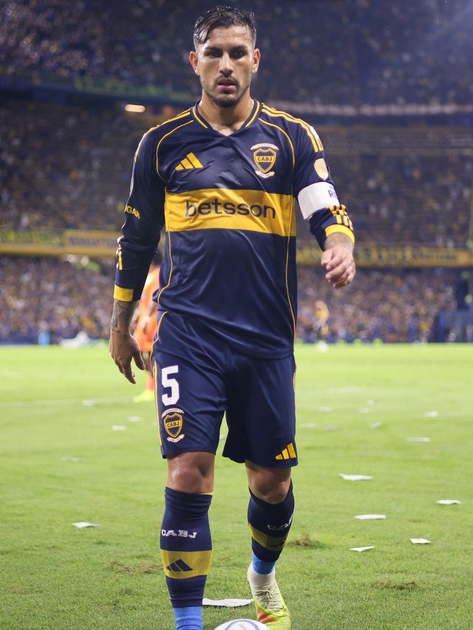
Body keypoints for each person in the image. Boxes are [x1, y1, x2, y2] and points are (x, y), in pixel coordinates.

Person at [108, 7, 356, 630]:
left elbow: (324, 205)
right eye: (214, 53)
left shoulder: (293, 137)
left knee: (272, 483)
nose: (226, 64)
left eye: (237, 52)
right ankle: (187, 624)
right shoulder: (160, 145)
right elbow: (135, 241)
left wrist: (340, 244)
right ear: (195, 62)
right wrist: (118, 324)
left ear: (255, 60)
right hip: (187, 336)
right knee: (188, 472)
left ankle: (262, 575)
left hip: (266, 340)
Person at [132, 254, 163, 402]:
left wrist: (146, 317)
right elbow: (144, 298)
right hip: (144, 321)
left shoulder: (158, 274)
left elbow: (155, 298)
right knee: (140, 352)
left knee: (151, 354)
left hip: (152, 322)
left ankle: (154, 388)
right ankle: (153, 386)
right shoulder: (148, 275)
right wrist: (137, 315)